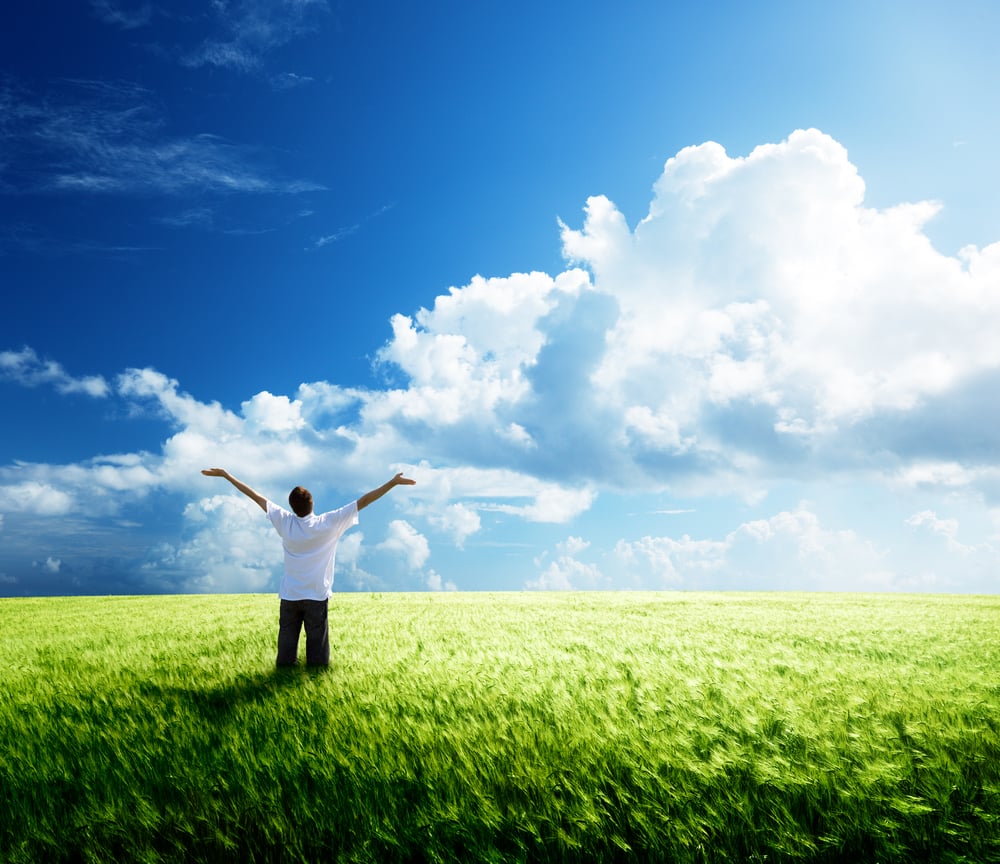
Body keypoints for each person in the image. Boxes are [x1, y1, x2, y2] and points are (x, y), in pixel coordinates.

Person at [201, 467, 416, 667]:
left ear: (291, 507)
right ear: (312, 503)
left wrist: (227, 476)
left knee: (285, 654)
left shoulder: (284, 522)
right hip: (316, 596)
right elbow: (365, 501)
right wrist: (393, 482)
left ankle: (284, 675)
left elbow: (256, 497)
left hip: (290, 595)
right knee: (318, 657)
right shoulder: (328, 523)